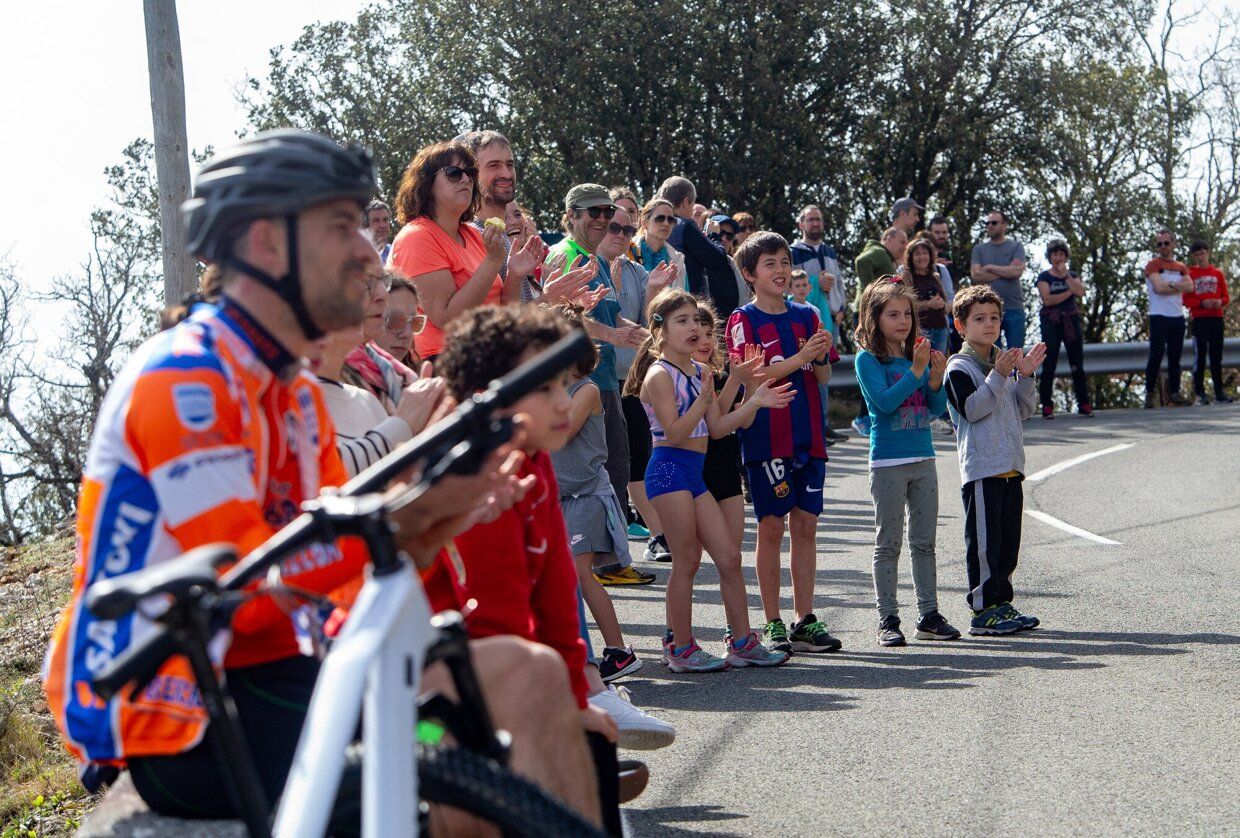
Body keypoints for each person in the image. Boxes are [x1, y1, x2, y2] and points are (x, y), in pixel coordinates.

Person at [43, 130, 602, 828]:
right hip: (186, 710)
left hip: (285, 671)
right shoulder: (189, 379)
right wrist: (411, 514)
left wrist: (441, 516)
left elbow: (336, 577)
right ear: (267, 245)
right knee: (448, 745)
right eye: (342, 226)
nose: (369, 251)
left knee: (525, 679)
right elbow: (247, 596)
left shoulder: (292, 391)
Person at [626, 288, 790, 672]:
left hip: (693, 475)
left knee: (730, 557)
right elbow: (676, 432)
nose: (693, 327)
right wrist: (702, 402)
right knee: (687, 561)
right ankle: (680, 648)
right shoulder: (658, 374)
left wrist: (754, 401)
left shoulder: (700, 371)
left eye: (696, 320)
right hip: (667, 471)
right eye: (682, 321)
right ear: (660, 330)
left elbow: (716, 429)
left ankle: (743, 641)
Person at [726, 232, 843, 656]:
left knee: (806, 525)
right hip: (765, 438)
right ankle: (773, 620)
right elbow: (755, 378)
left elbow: (825, 377)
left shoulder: (809, 314)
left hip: (807, 435)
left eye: (783, 261)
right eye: (769, 263)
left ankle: (804, 619)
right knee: (772, 526)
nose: (778, 270)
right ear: (749, 274)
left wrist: (820, 356)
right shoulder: (743, 319)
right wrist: (799, 357)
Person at [547, 305, 650, 684]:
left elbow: (561, 432)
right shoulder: (550, 389)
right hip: (559, 499)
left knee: (579, 576)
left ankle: (619, 651)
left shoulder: (586, 389)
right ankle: (574, 650)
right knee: (567, 577)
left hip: (586, 497)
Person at [854, 281, 960, 646]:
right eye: (893, 314)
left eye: (907, 314)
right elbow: (883, 404)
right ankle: (888, 618)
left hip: (923, 458)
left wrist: (935, 381)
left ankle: (928, 615)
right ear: (875, 318)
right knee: (888, 543)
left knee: (924, 542)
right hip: (887, 461)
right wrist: (916, 372)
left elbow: (934, 410)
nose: (902, 321)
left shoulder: (915, 356)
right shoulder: (867, 359)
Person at [548, 184, 649, 565]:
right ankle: (599, 562)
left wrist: (637, 333)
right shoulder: (564, 255)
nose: (603, 220)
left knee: (616, 465)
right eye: (594, 212)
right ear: (572, 215)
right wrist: (612, 335)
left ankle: (608, 560)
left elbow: (606, 314)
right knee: (600, 470)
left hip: (604, 377)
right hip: (577, 381)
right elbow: (564, 318)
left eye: (608, 212)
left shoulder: (598, 260)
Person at [943, 285, 1047, 637]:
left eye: (994, 318)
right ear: (960, 326)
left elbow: (1023, 410)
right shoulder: (959, 367)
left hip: (1010, 467)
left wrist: (1026, 377)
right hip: (982, 470)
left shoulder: (1001, 361)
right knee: (985, 546)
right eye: (979, 319)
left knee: (1006, 545)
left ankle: (1002, 602)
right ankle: (982, 609)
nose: (989, 325)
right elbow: (972, 410)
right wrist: (1001, 375)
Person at [389, 140, 544, 364]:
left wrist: (515, 275)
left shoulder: (473, 233)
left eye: (470, 172)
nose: (466, 179)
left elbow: (506, 310)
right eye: (454, 173)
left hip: (492, 357)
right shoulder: (417, 236)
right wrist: (492, 261)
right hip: (450, 364)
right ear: (426, 183)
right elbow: (447, 318)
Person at [600, 205, 679, 562]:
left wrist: (654, 290)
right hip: (599, 378)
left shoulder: (638, 271)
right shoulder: (586, 264)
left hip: (630, 377)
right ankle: (649, 537)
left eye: (627, 229)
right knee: (619, 462)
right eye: (614, 226)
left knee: (637, 458)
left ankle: (653, 536)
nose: (620, 234)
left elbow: (643, 327)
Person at [692, 302, 786, 553]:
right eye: (697, 334)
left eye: (710, 334)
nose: (705, 341)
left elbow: (743, 420)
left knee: (732, 556)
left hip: (725, 466)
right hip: (694, 468)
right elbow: (716, 427)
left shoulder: (721, 375)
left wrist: (751, 385)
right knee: (692, 560)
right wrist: (739, 383)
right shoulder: (682, 376)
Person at [310, 322, 440, 476]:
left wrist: (426, 436)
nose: (379, 297)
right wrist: (402, 424)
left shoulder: (366, 399)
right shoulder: (284, 393)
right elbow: (316, 472)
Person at [791, 205, 850, 445]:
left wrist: (843, 309)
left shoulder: (829, 251)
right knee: (809, 373)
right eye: (811, 219)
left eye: (819, 220)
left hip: (831, 317)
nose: (815, 224)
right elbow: (792, 283)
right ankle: (814, 426)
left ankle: (824, 424)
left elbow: (840, 284)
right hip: (806, 318)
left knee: (824, 371)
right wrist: (816, 282)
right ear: (801, 224)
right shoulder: (794, 250)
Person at [852, 227, 908, 436]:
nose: (904, 247)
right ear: (888, 238)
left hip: (875, 316)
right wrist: (872, 297)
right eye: (901, 242)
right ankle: (863, 418)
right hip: (868, 317)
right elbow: (861, 262)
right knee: (871, 365)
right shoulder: (878, 252)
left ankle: (870, 416)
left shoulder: (887, 258)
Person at [658, 176, 739, 317]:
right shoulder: (684, 224)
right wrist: (714, 236)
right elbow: (717, 260)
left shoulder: (653, 226)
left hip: (662, 302)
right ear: (686, 202)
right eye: (693, 203)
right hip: (687, 303)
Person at [1035, 240, 1092, 418]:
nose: (1058, 258)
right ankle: (1046, 405)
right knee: (1049, 364)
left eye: (1061, 254)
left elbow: (1081, 291)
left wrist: (1066, 278)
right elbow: (1047, 300)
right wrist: (1069, 292)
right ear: (1049, 257)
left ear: (1066, 256)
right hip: (1051, 322)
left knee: (1077, 364)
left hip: (1071, 321)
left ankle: (1084, 403)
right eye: (1054, 254)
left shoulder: (1072, 275)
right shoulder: (1044, 277)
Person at [1143, 230, 1195, 407]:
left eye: (1166, 243)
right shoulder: (1153, 265)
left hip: (1177, 316)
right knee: (1156, 354)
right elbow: (1159, 288)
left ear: (1173, 244)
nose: (1163, 247)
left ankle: (1175, 392)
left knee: (1175, 357)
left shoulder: (1181, 266)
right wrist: (1177, 286)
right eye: (1160, 244)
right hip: (1159, 315)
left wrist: (1171, 285)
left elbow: (1190, 286)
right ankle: (1149, 393)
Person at [1184, 239, 1233, 404]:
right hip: (1199, 319)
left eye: (1202, 254)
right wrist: (1200, 303)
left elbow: (1226, 296)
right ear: (1193, 257)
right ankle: (1200, 392)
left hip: (1216, 318)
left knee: (1216, 356)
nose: (1200, 257)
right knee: (1200, 356)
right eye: (1196, 255)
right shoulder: (1190, 275)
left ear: (1208, 253)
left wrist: (1220, 302)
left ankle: (1219, 392)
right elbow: (1185, 300)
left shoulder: (1217, 274)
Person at [970, 210, 1028, 349]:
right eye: (987, 223)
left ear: (1004, 225)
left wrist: (989, 267)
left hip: (1014, 308)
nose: (990, 225)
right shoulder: (979, 249)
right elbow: (976, 275)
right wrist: (1006, 271)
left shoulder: (1016, 246)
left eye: (994, 222)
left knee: (1015, 354)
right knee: (992, 356)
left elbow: (1017, 272)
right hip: (987, 311)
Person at [374, 274, 425, 369]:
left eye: (415, 322)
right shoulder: (342, 377)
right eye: (395, 321)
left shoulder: (412, 379)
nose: (408, 334)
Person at [636, 197, 687, 287]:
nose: (666, 223)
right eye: (660, 218)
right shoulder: (629, 252)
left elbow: (684, 296)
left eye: (671, 220)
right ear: (644, 223)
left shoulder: (677, 260)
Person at [363, 198, 393, 263]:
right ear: (366, 225)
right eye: (376, 220)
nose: (382, 225)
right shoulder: (357, 256)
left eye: (385, 220)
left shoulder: (394, 252)